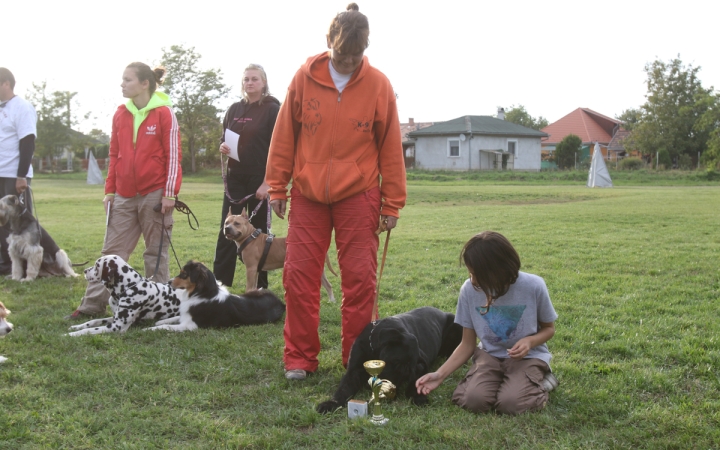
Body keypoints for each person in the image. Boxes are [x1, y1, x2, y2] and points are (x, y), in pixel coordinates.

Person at [265, 3, 407, 380]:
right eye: (342, 54)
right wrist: (277, 185)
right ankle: (299, 358)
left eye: (355, 55)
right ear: (328, 41)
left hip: (360, 196)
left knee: (360, 279)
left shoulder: (379, 85)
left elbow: (391, 147)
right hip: (308, 195)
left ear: (366, 48)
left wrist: (392, 202)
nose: (347, 62)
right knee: (298, 277)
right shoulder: (303, 78)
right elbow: (284, 136)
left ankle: (357, 358)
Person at [66, 62, 182, 318]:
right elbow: (114, 154)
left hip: (155, 193)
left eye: (127, 79)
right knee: (111, 253)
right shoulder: (120, 113)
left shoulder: (165, 113)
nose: (122, 84)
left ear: (144, 83)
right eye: (122, 79)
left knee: (155, 252)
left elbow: (174, 155)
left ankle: (159, 309)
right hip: (123, 194)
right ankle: (91, 306)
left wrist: (170, 193)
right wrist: (110, 191)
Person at [415, 231, 559, 415]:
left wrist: (529, 342)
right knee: (473, 401)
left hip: (529, 358)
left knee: (511, 404)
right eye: (470, 272)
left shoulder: (534, 286)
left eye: (478, 274)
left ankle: (545, 382)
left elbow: (549, 329)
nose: (472, 279)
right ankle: (505, 383)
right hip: (489, 356)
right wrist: (439, 375)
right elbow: (467, 344)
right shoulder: (469, 289)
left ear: (499, 270)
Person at [213, 64, 280, 288]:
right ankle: (220, 286)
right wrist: (222, 145)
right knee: (227, 230)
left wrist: (268, 183)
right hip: (235, 179)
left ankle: (260, 288)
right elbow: (225, 136)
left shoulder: (272, 109)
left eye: (254, 79)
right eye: (246, 79)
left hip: (260, 180)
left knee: (258, 233)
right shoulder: (234, 109)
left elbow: (279, 146)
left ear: (263, 82)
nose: (249, 83)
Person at [0, 67, 37, 275]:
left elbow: (27, 142)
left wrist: (21, 175)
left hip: (14, 174)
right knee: (1, 221)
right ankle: (5, 263)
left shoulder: (22, 107)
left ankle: (34, 261)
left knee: (20, 223)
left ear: (6, 83)